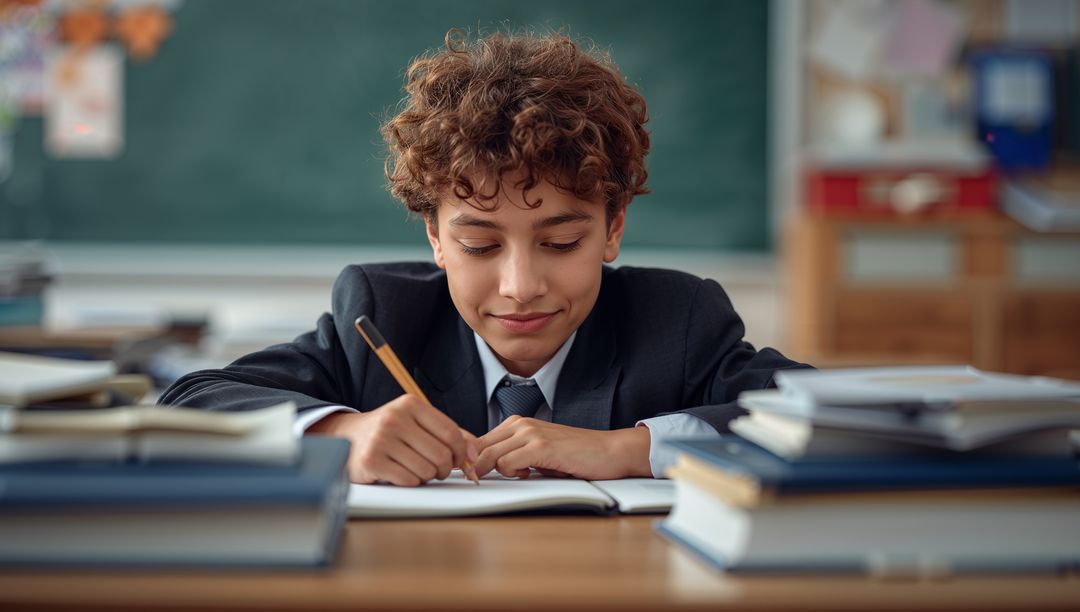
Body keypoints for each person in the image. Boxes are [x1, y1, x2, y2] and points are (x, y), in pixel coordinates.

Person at [159, 29, 810, 486]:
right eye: (479, 245)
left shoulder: (678, 322)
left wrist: (629, 449)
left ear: (613, 230)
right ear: (436, 239)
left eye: (561, 243)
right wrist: (341, 435)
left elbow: (823, 413)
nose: (521, 286)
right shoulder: (383, 316)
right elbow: (189, 402)